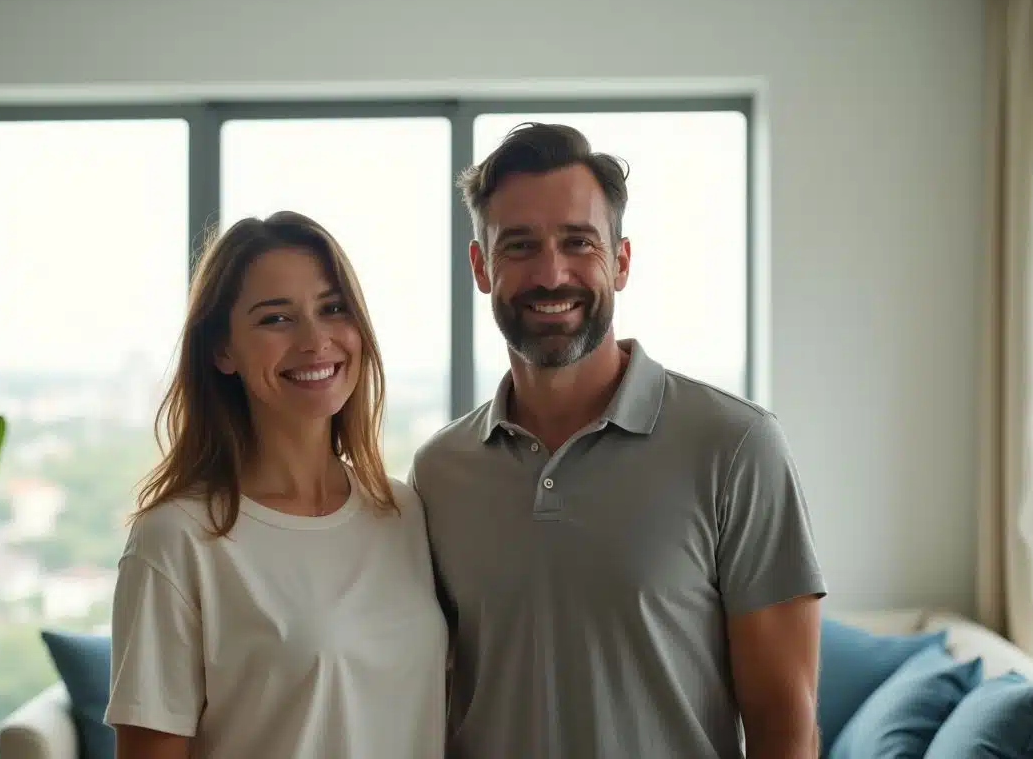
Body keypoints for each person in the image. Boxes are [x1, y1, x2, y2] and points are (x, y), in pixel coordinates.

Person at [408, 123, 827, 759]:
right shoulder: (440, 470)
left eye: (579, 242)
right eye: (518, 246)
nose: (552, 274)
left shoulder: (736, 446)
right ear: (481, 268)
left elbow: (784, 723)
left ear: (622, 261)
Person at [104, 212, 448, 759]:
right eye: (275, 319)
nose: (315, 340)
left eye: (333, 309)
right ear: (223, 351)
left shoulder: (402, 510)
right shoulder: (177, 539)